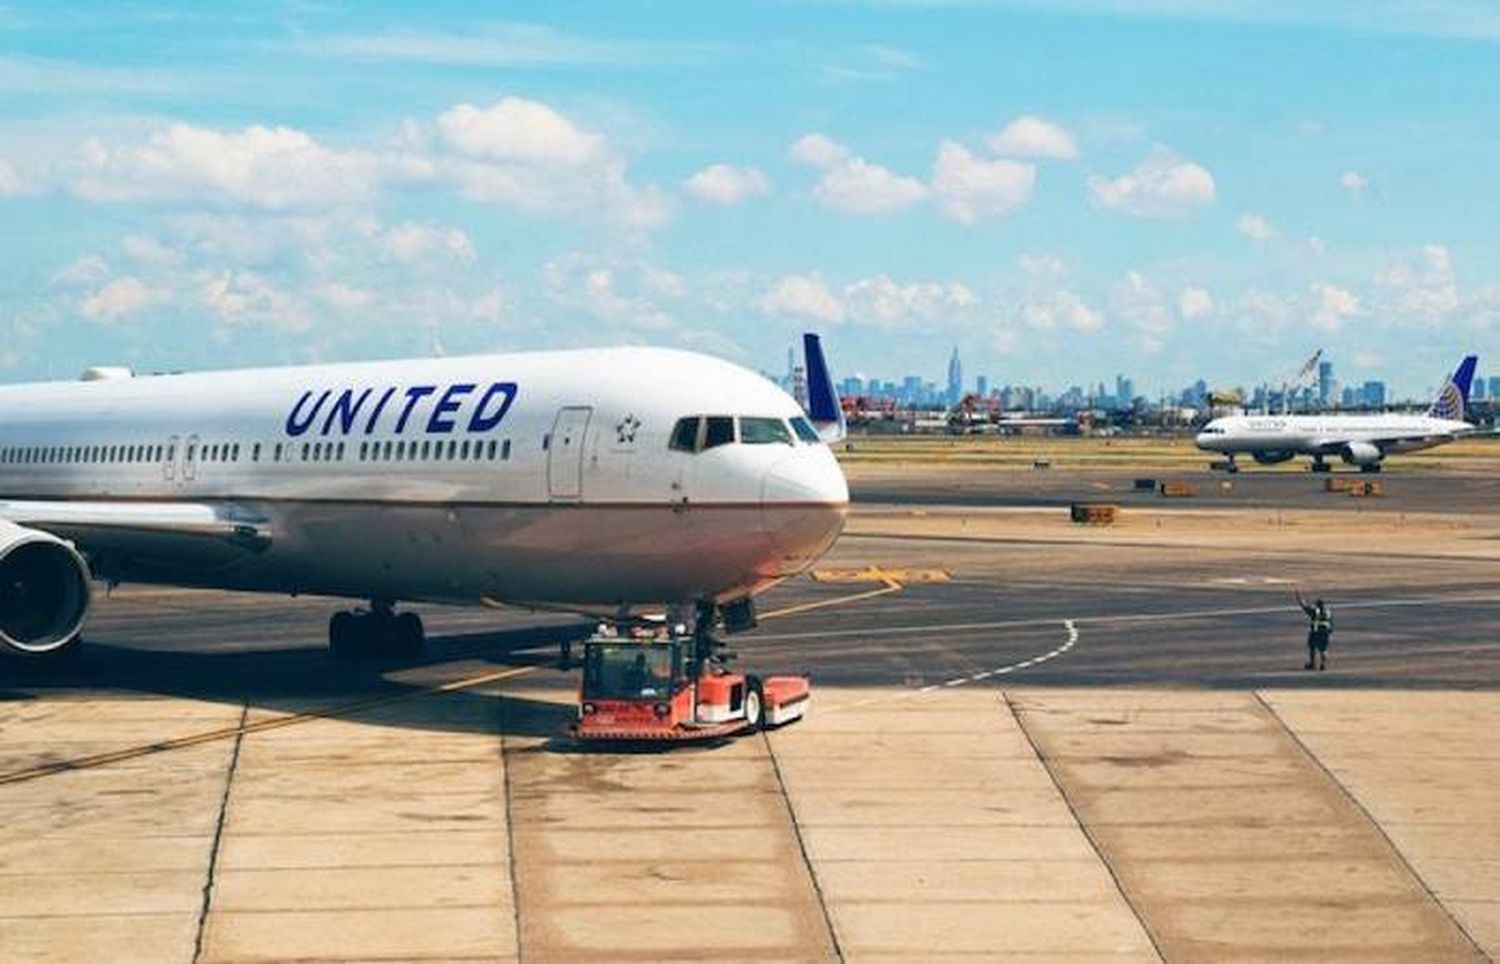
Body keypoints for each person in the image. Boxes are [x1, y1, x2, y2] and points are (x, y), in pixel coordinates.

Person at [1294, 587, 1332, 671]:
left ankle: (1313, 664)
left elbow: (1303, 605)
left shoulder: (1315, 611)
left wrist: (1298, 595)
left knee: (1312, 647)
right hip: (1325, 633)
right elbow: (1331, 623)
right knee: (1323, 649)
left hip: (1315, 632)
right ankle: (1323, 665)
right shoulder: (1328, 612)